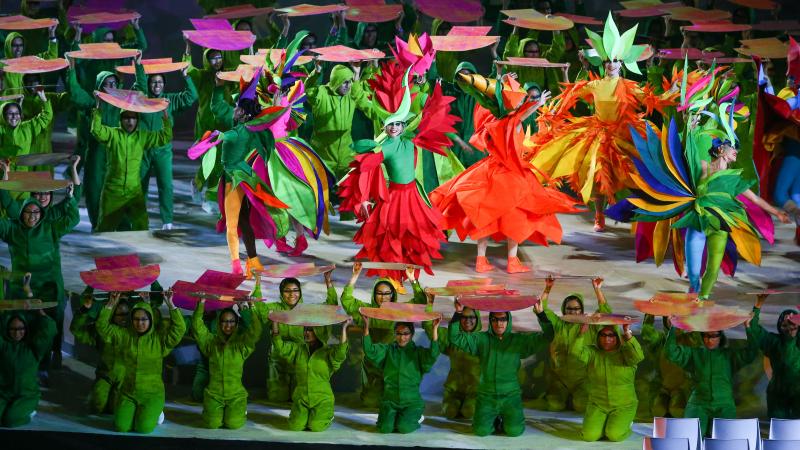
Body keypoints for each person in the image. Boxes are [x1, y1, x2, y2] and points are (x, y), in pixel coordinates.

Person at [527, 13, 677, 231]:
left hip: (624, 133)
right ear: (603, 63)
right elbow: (572, 94)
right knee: (598, 175)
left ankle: (638, 213)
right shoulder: (595, 84)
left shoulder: (629, 85)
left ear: (621, 63)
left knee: (634, 173)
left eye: (615, 61)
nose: (611, 65)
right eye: (607, 61)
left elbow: (653, 100)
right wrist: (553, 112)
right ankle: (599, 215)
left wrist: (670, 92)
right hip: (597, 133)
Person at [431, 71, 580, 273]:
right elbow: (519, 116)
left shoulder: (491, 123)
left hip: (490, 172)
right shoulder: (512, 122)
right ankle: (511, 261)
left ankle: (481, 260)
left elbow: (504, 107)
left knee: (484, 218)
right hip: (511, 176)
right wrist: (537, 103)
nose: (520, 104)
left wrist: (500, 81)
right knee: (514, 219)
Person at [0, 186, 79, 379]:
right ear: (22, 213)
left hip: (49, 284)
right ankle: (25, 364)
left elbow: (73, 218)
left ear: (41, 213)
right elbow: (7, 208)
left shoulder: (50, 227)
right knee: (23, 323)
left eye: (36, 212)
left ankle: (52, 356)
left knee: (52, 323)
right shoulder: (12, 229)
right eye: (28, 212)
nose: (32, 216)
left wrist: (71, 197)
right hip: (23, 286)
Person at [448, 300, 554, 437]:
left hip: (511, 396)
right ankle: (494, 421)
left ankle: (507, 420)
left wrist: (541, 314)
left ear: (508, 320)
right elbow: (454, 337)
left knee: (514, 431)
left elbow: (547, 336)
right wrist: (458, 313)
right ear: (490, 321)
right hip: (487, 396)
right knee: (480, 431)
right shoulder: (481, 340)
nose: (499, 323)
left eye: (503, 319)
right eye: (495, 320)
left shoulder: (518, 341)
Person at [96, 290, 186, 433]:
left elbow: (179, 329)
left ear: (150, 320)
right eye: (136, 319)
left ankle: (156, 412)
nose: (140, 323)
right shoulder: (125, 336)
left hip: (152, 394)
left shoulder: (159, 340)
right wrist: (111, 304)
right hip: (128, 392)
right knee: (121, 427)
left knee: (143, 428)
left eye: (144, 319)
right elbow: (102, 327)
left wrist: (171, 305)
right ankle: (139, 412)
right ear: (132, 320)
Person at [340, 264, 425, 407]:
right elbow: (346, 301)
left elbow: (421, 302)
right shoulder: (366, 311)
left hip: (394, 364)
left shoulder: (400, 311)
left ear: (393, 294)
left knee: (393, 400)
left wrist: (412, 279)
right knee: (370, 402)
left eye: (387, 293)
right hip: (373, 364)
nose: (383, 297)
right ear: (374, 294)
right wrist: (354, 276)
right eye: (380, 293)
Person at [253, 270, 339, 403]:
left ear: (300, 292)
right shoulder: (275, 308)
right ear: (281, 293)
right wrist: (257, 281)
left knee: (298, 398)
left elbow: (330, 307)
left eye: (295, 290)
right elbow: (258, 307)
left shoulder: (306, 310)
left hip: (300, 358)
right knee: (277, 399)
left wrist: (328, 281)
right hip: (278, 359)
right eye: (287, 291)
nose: (292, 294)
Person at [90, 95, 173, 232]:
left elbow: (165, 137)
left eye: (133, 118)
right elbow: (96, 130)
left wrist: (164, 113)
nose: (130, 121)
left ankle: (138, 253)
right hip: (113, 192)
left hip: (134, 192)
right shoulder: (113, 134)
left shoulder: (142, 136)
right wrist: (98, 107)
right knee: (105, 230)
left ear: (138, 120)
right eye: (126, 117)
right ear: (121, 119)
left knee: (142, 227)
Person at [133, 59, 198, 230]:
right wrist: (138, 66)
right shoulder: (143, 99)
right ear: (149, 84)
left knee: (165, 185)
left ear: (164, 84)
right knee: (140, 185)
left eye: (160, 82)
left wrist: (186, 77)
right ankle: (138, 219)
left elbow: (191, 97)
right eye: (153, 82)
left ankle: (167, 221)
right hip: (144, 150)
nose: (156, 85)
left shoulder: (169, 100)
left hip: (163, 150)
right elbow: (139, 85)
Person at [665, 325, 758, 436]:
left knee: (723, 442)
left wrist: (749, 327)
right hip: (698, 404)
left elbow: (751, 352)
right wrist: (672, 329)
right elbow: (671, 352)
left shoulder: (729, 355)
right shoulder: (694, 354)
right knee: (691, 439)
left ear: (720, 336)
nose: (709, 339)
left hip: (724, 405)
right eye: (706, 335)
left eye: (714, 335)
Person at [540, 275, 612, 413]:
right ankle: (563, 397)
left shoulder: (589, 324)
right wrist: (548, 288)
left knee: (582, 407)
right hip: (560, 378)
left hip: (582, 380)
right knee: (555, 406)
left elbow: (606, 313)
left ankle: (575, 398)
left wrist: (597, 290)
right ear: (564, 310)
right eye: (569, 309)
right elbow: (541, 309)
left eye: (576, 309)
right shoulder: (558, 324)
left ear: (582, 310)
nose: (573, 312)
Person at [192, 299, 261, 429]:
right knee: (212, 424)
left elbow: (255, 331)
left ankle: (239, 410)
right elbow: (197, 327)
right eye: (224, 321)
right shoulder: (211, 343)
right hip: (214, 394)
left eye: (231, 321)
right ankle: (213, 411)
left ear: (236, 324)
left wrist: (249, 308)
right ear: (219, 323)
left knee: (234, 424)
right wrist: (200, 304)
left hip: (236, 395)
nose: (228, 325)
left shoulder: (242, 345)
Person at [271, 317, 350, 431]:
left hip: (322, 398)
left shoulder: (328, 353)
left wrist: (344, 328)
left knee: (316, 427)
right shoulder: (298, 349)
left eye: (310, 330)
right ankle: (304, 416)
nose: (306, 332)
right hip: (301, 397)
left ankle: (328, 416)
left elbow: (341, 352)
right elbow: (280, 346)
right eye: (305, 329)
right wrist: (275, 322)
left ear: (318, 332)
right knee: (295, 426)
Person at [363, 317, 440, 434]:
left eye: (406, 334)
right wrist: (366, 326)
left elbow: (432, 354)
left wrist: (434, 329)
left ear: (412, 334)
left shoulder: (418, 352)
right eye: (398, 333)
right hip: (390, 401)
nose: (402, 337)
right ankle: (395, 417)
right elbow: (370, 350)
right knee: (385, 429)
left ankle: (416, 417)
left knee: (404, 428)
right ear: (394, 333)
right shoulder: (388, 350)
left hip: (411, 401)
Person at [307, 63, 382, 180]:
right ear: (336, 81)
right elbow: (309, 90)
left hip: (346, 157)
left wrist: (388, 117)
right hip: (322, 158)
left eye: (350, 81)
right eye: (344, 82)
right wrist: (315, 73)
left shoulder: (351, 95)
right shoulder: (322, 93)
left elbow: (365, 103)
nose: (348, 85)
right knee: (322, 193)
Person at [578, 324, 644, 442]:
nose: (606, 339)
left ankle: (626, 426)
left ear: (617, 337)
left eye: (611, 335)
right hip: (598, 404)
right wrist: (580, 335)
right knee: (589, 436)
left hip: (623, 405)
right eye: (603, 335)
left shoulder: (626, 353)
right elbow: (577, 355)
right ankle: (603, 426)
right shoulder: (592, 352)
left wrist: (628, 334)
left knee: (614, 435)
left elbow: (638, 357)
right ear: (598, 337)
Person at [69, 291, 130, 414]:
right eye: (121, 314)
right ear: (113, 314)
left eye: (127, 314)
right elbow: (77, 330)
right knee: (98, 406)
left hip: (125, 380)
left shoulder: (133, 331)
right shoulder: (101, 330)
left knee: (115, 409)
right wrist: (84, 310)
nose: (124, 317)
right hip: (105, 376)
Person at [745, 293, 800, 419]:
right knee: (778, 427)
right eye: (785, 325)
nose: (789, 328)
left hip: (798, 392)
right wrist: (759, 303)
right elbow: (753, 327)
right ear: (780, 328)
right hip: (777, 393)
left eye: (792, 324)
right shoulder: (773, 341)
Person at [0, 309, 56, 427]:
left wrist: (42, 315)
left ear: (25, 329)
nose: (17, 333)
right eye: (13, 329)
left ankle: (30, 411)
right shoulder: (4, 347)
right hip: (4, 393)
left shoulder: (33, 348)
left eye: (21, 329)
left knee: (11, 420)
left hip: (26, 395)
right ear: (7, 329)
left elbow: (48, 332)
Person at [0, 89, 53, 166]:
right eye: (10, 113)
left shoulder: (27, 127)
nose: (14, 116)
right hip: (2, 173)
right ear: (3, 115)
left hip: (22, 172)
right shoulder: (1, 130)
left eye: (17, 113)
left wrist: (43, 99)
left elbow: (46, 117)